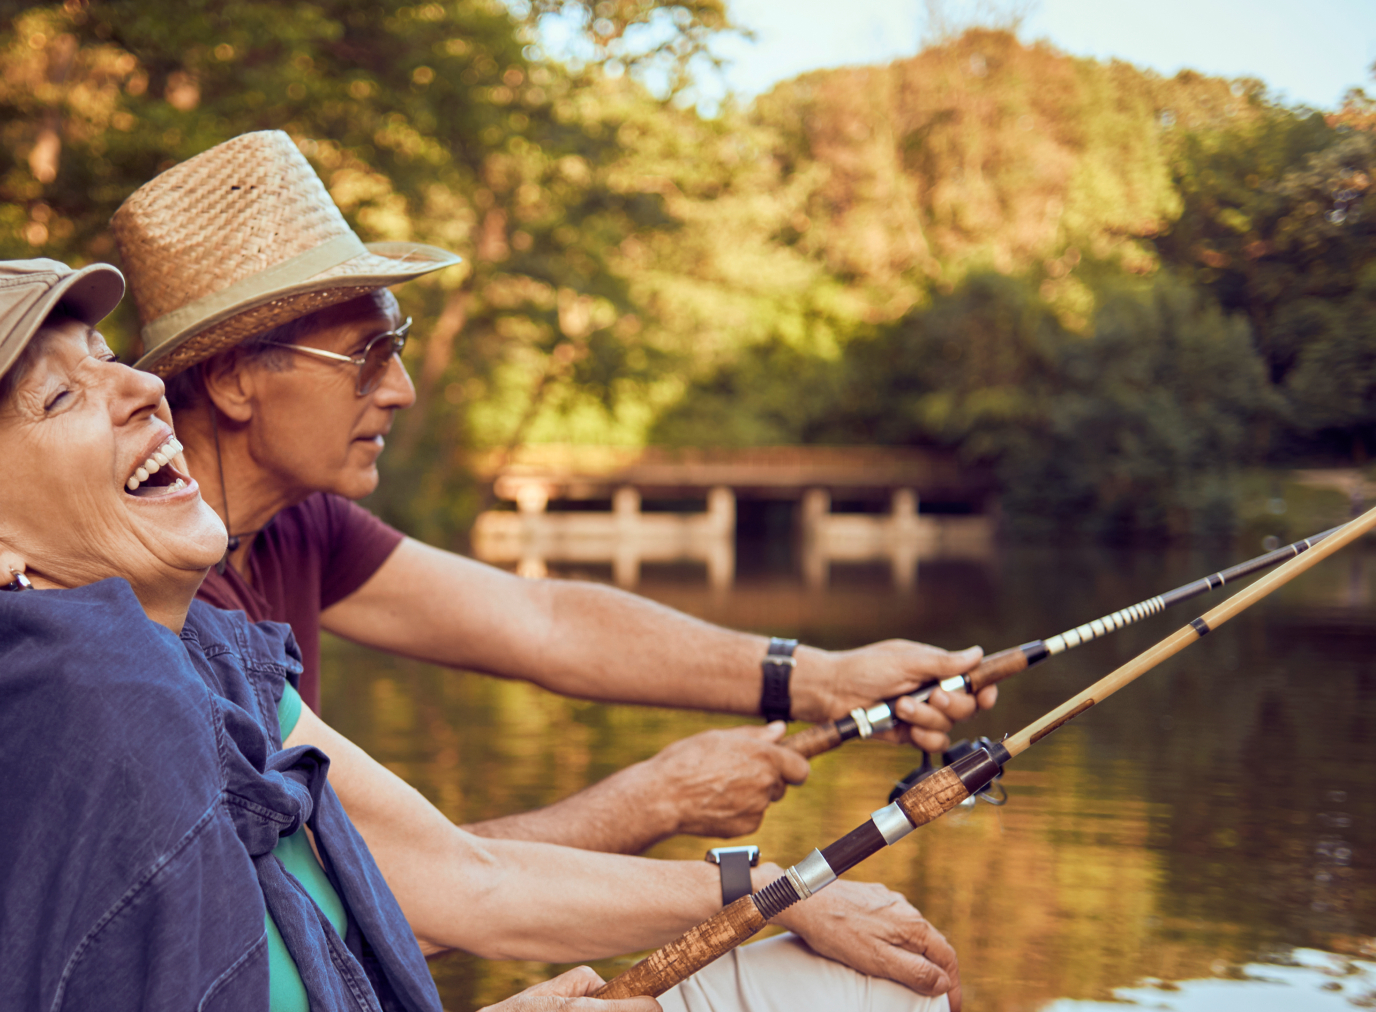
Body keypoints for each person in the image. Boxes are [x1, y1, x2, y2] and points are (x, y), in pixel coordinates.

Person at [0, 259, 1054, 1012]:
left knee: (874, 1002)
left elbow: (460, 868)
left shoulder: (193, 648)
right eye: (64, 396)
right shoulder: (79, 717)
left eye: (116, 362)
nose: (138, 388)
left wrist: (783, 885)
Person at [110, 131, 1000, 854]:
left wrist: (823, 679)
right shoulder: (159, 604)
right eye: (367, 356)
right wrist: (655, 801)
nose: (401, 389)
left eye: (401, 345)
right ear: (233, 382)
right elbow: (387, 888)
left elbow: (543, 623)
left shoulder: (298, 525)